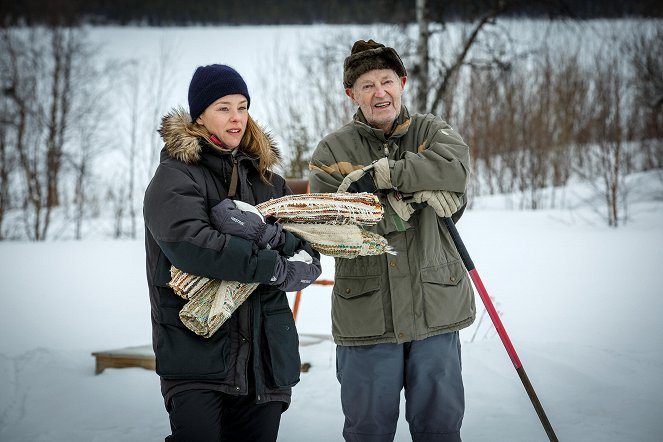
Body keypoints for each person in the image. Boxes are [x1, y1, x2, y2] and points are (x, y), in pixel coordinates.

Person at [144, 64, 322, 442]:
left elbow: (307, 250)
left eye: (242, 106)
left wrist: (274, 241)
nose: (236, 117)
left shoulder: (269, 181)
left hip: (264, 360)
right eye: (224, 107)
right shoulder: (176, 176)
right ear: (200, 115)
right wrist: (270, 264)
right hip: (198, 357)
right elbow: (191, 244)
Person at [309, 40, 476, 442]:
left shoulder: (431, 131)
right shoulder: (332, 151)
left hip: (433, 309)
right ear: (351, 94)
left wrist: (386, 177)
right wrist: (406, 204)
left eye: (386, 81)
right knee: (368, 431)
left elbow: (454, 168)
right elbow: (329, 228)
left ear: (402, 84)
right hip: (367, 317)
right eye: (367, 85)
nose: (379, 92)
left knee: (439, 429)